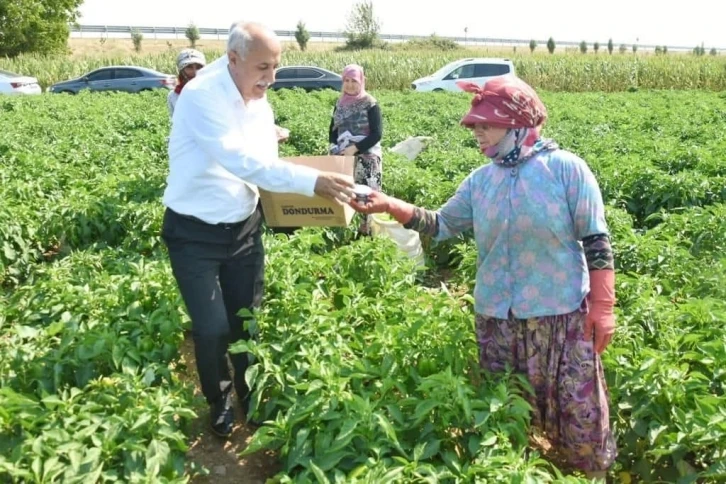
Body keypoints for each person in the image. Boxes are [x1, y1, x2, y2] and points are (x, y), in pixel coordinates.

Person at [349, 75, 617, 480]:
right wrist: (390, 204)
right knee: (507, 421)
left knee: (578, 418)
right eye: (475, 127)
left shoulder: (566, 170)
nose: (478, 134)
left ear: (516, 125)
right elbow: (439, 225)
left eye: (485, 126)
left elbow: (596, 239)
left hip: (560, 319)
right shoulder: (481, 181)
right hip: (498, 321)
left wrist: (602, 306)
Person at [161, 20, 354, 439]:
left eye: (276, 67)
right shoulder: (200, 97)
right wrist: (313, 182)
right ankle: (220, 399)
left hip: (243, 227)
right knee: (211, 328)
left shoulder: (259, 100)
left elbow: (264, 164)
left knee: (246, 320)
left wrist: (297, 206)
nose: (271, 78)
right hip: (193, 231)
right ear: (233, 59)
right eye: (262, 68)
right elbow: (240, 160)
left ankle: (252, 396)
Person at [328, 64, 382, 236]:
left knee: (365, 197)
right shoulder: (340, 103)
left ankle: (366, 235)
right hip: (344, 158)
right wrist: (334, 147)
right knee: (346, 195)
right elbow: (333, 131)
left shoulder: (370, 103)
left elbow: (377, 134)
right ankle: (347, 234)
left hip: (367, 158)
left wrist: (355, 148)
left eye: (354, 81)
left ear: (361, 81)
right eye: (346, 80)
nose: (350, 85)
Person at [168, 48, 206, 117]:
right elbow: (174, 121)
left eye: (198, 67)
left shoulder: (210, 92)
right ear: (182, 70)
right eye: (189, 67)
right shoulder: (173, 96)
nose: (194, 71)